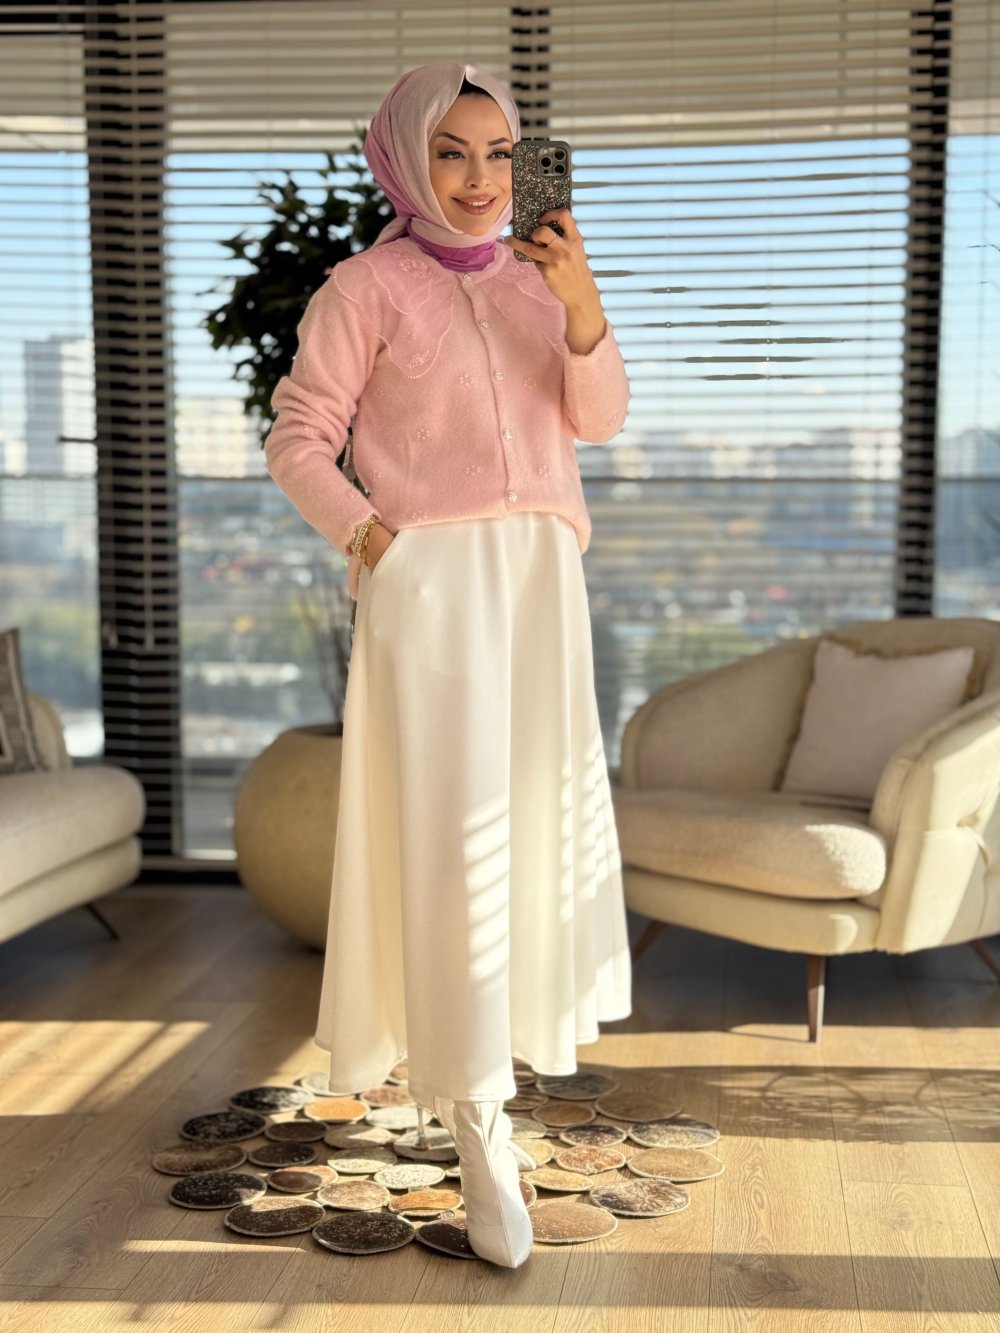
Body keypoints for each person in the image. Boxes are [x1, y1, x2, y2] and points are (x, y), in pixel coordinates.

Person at [265, 61, 632, 1268]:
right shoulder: (364, 288)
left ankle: (491, 1079)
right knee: (453, 839)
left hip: (540, 589)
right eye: (451, 152)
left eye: (498, 153)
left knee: (529, 829)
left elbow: (598, 420)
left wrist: (579, 303)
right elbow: (299, 436)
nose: (480, 179)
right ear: (404, 159)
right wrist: (377, 542)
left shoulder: (542, 278)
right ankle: (477, 1127)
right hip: (432, 590)